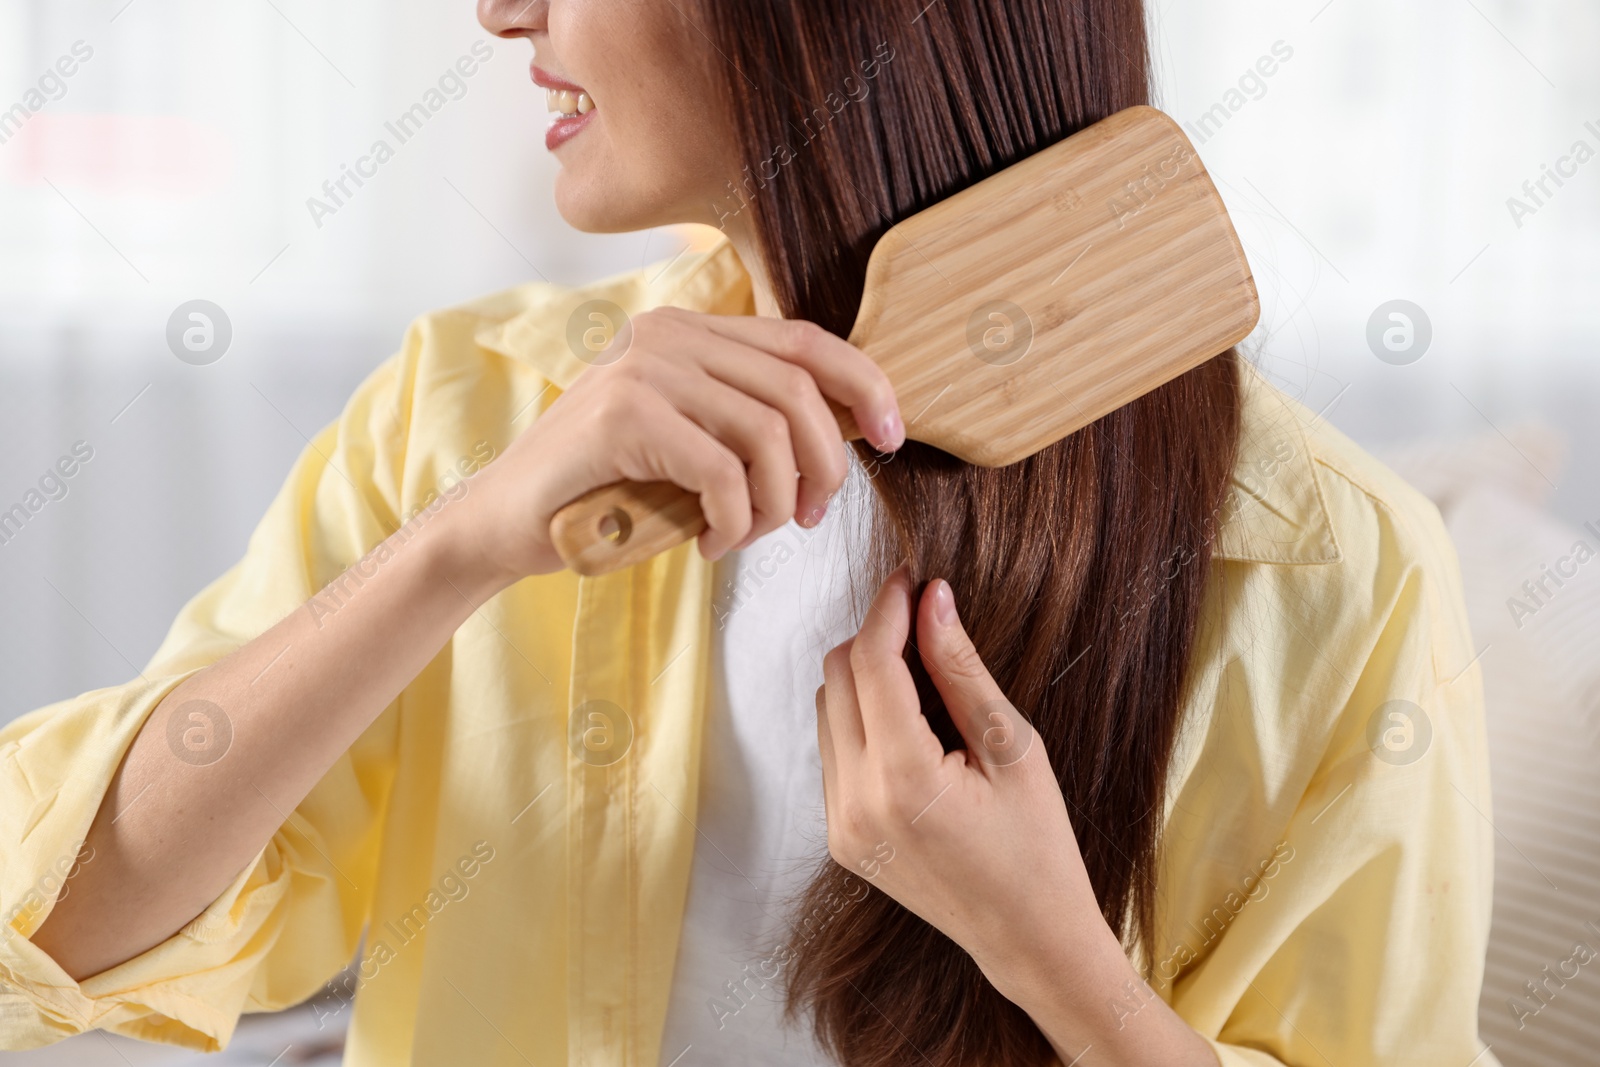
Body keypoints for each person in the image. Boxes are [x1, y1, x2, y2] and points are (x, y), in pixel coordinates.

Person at [0, 0, 1498, 1064]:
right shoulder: (469, 413)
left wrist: (1053, 960)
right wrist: (458, 547)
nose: (499, 10)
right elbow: (56, 931)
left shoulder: (1328, 568)